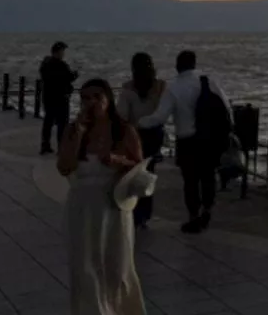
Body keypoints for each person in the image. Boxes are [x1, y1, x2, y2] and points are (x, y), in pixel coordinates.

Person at [56, 78, 145, 314]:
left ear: (108, 99)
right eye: (85, 98)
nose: (90, 102)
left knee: (117, 267)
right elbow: (64, 167)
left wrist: (117, 160)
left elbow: (139, 167)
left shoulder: (124, 130)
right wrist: (79, 135)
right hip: (82, 206)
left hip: (113, 205)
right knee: (84, 266)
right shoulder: (73, 130)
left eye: (97, 97)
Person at [138, 50, 232, 234]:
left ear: (177, 65)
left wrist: (139, 123)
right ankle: (207, 209)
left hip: (187, 141)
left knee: (190, 180)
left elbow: (160, 117)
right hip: (209, 140)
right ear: (194, 64)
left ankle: (193, 217)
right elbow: (226, 107)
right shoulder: (209, 81)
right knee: (208, 176)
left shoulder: (174, 88)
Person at [116, 53, 166, 228]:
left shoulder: (128, 89)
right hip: (154, 135)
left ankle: (133, 210)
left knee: (132, 173)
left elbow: (121, 116)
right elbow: (164, 112)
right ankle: (145, 214)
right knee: (148, 172)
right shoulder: (160, 87)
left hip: (134, 134)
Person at [39, 41, 78, 155]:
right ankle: (61, 147)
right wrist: (75, 75)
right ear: (57, 52)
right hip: (61, 98)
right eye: (62, 51)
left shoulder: (45, 64)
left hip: (48, 98)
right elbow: (68, 77)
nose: (63, 54)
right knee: (62, 124)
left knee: (48, 121)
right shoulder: (61, 65)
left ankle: (45, 145)